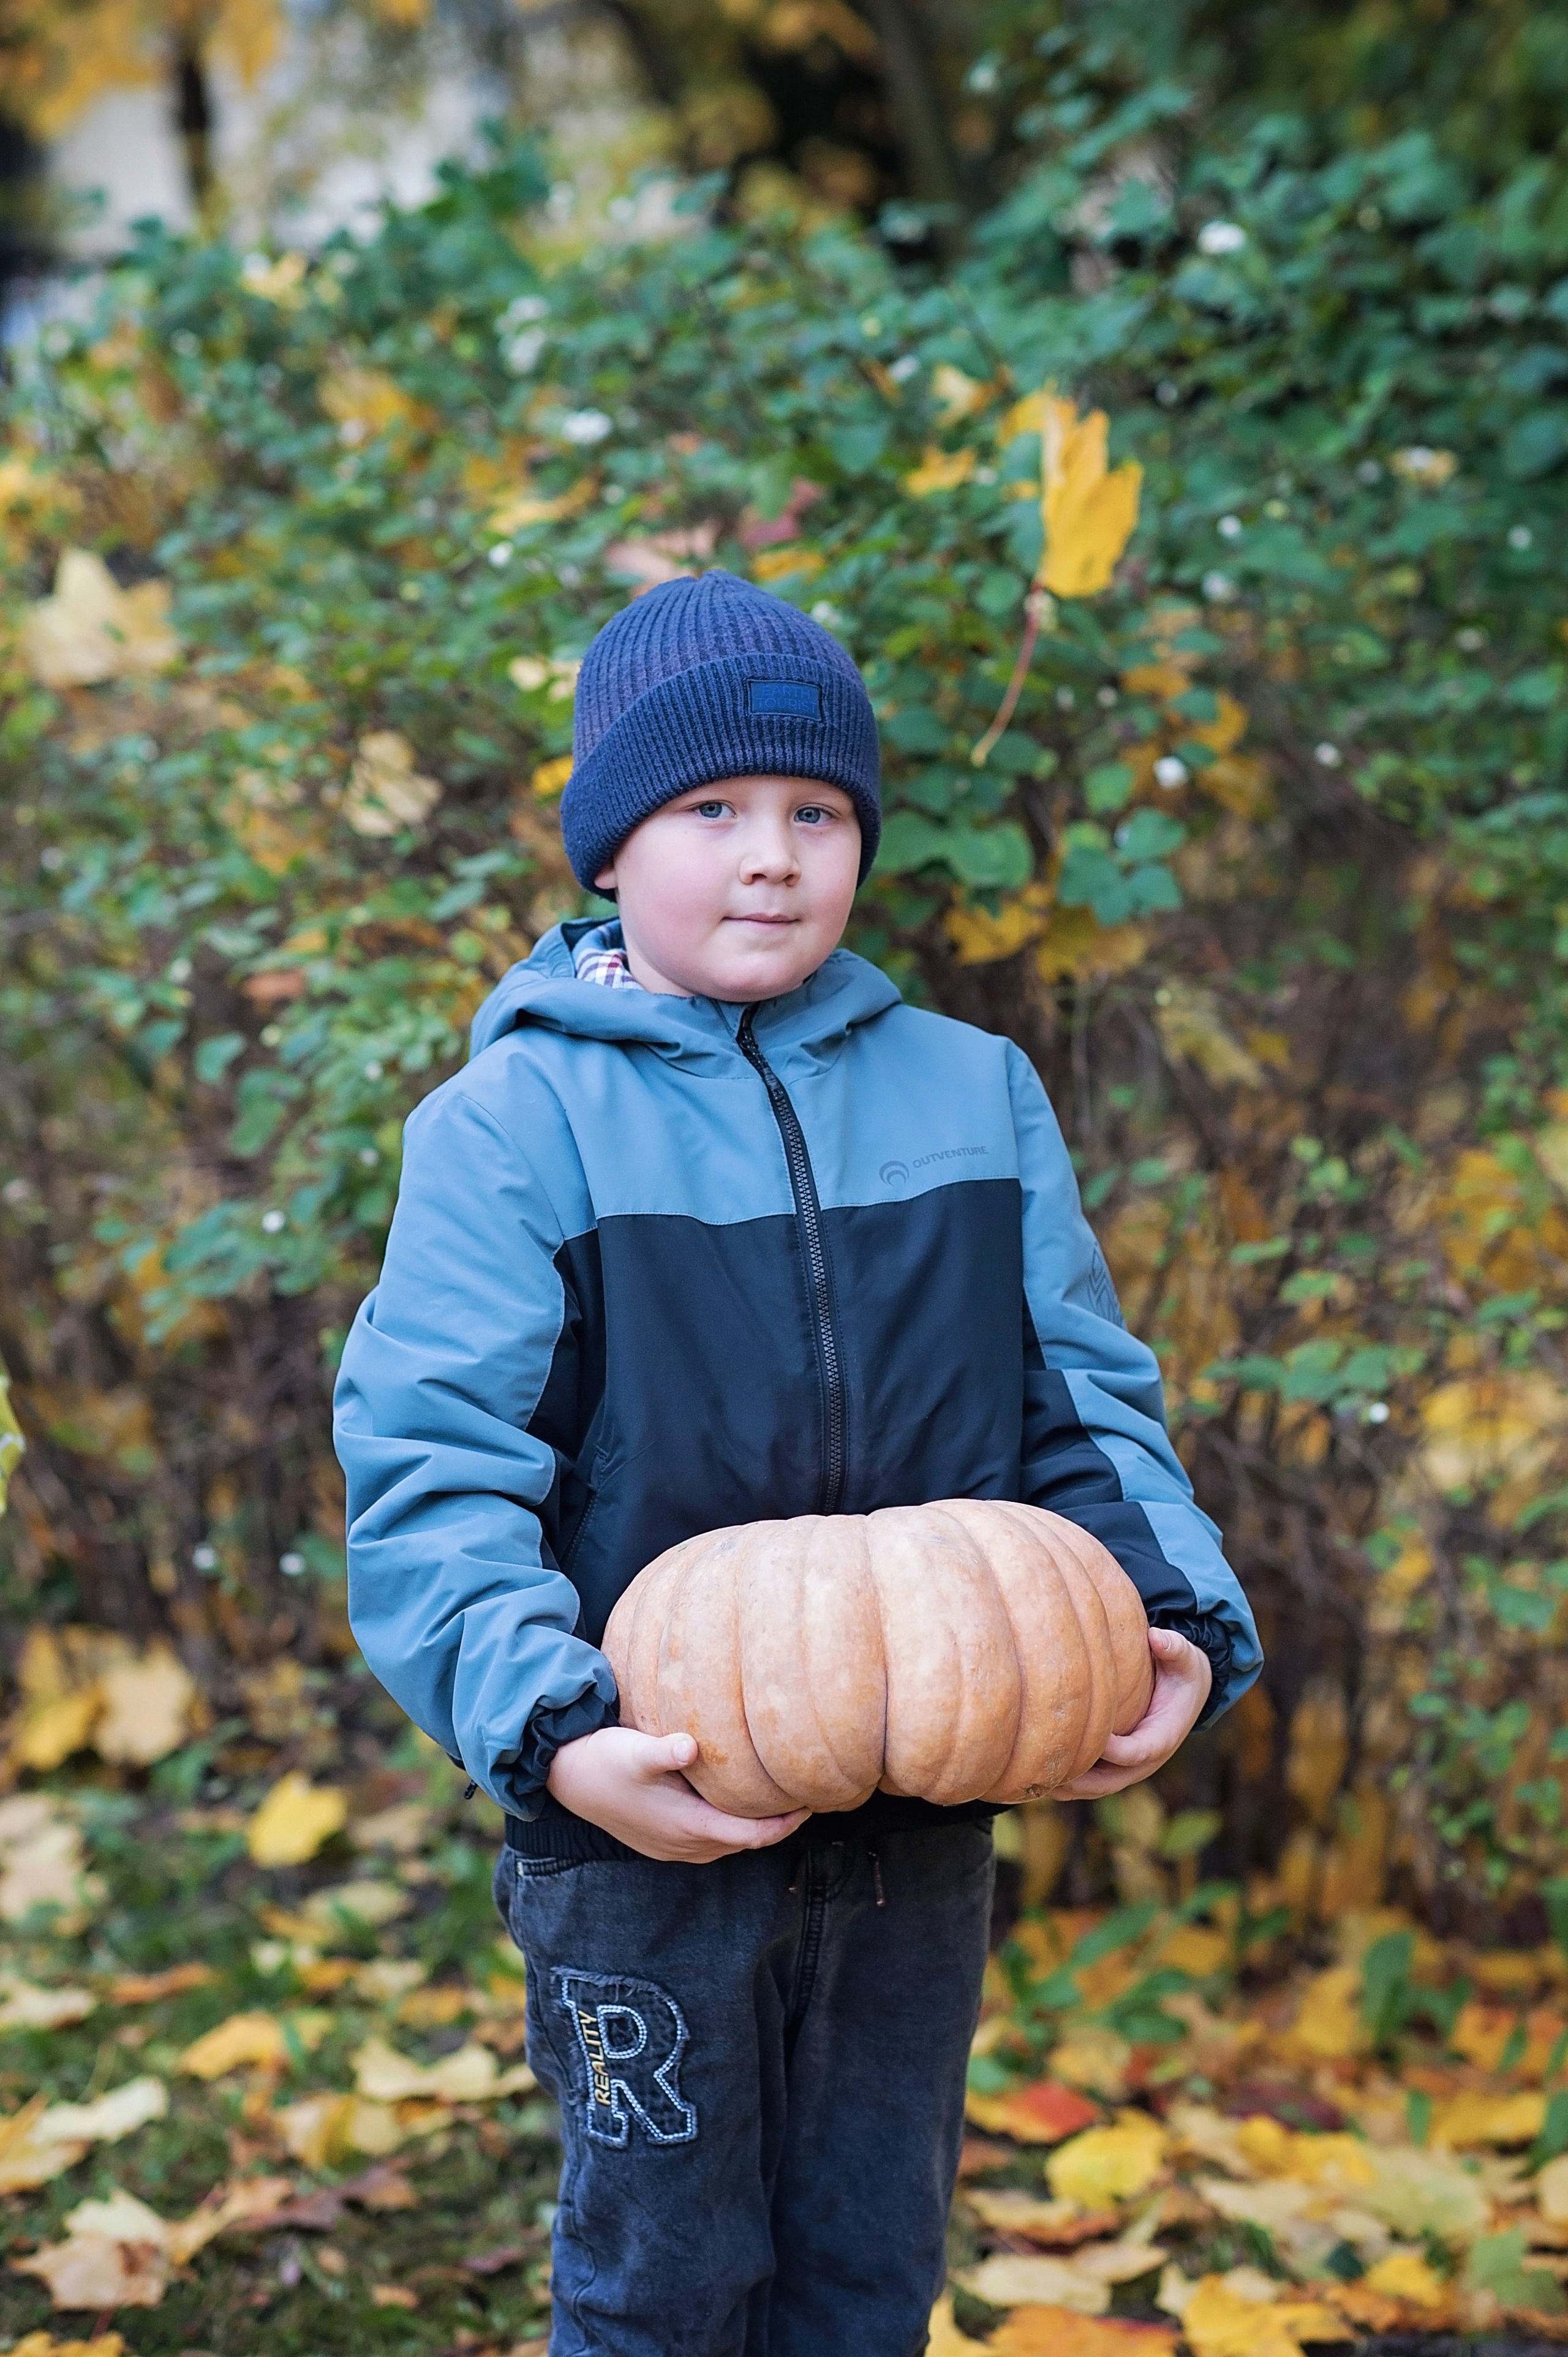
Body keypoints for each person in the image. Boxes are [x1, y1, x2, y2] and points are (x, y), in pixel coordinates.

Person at [333, 568, 1261, 2357]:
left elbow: (1080, 1399)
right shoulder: (516, 1126)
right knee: (664, 2278)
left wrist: (1177, 1618)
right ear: (610, 848)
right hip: (644, 1794)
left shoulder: (969, 1090)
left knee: (864, 2264)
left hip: (925, 1796)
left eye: (815, 811)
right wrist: (553, 1729)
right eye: (713, 809)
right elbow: (435, 1465)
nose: (772, 855)